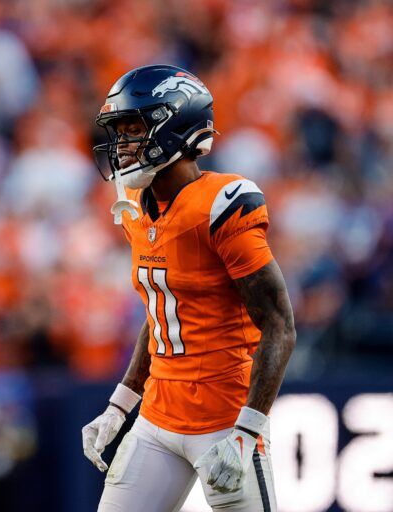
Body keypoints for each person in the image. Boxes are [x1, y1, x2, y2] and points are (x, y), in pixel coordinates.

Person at [81, 65, 296, 511]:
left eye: (133, 129)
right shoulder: (137, 207)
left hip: (224, 422)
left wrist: (248, 430)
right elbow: (163, 310)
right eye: (119, 132)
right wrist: (121, 402)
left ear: (175, 126)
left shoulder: (221, 206)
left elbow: (279, 325)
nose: (122, 146)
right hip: (157, 417)